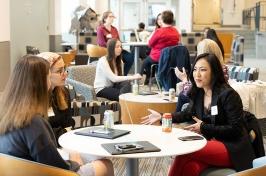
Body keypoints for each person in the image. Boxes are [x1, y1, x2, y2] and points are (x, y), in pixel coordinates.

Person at [0, 55, 114, 176]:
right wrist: (75, 163)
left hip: (21, 170)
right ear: (40, 82)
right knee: (105, 165)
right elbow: (56, 166)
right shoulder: (34, 122)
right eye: (49, 76)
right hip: (46, 172)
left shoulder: (8, 113)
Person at [37, 52, 75, 142]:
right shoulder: (34, 97)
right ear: (45, 74)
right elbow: (40, 134)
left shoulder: (64, 92)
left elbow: (69, 123)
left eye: (64, 69)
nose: (65, 74)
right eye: (59, 71)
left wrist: (62, 132)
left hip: (63, 142)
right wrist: (63, 132)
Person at [139, 10, 180, 84]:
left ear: (163, 19)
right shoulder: (176, 31)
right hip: (171, 58)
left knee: (145, 62)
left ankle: (140, 77)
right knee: (149, 61)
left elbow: (150, 44)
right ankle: (153, 78)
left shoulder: (159, 31)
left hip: (157, 57)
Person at [97, 11, 133, 75]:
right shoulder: (100, 29)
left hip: (117, 50)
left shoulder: (114, 29)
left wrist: (119, 45)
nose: (112, 18)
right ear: (105, 19)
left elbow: (118, 40)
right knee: (114, 60)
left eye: (113, 17)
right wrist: (113, 46)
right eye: (110, 16)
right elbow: (101, 43)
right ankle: (113, 76)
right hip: (107, 50)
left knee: (130, 57)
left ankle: (123, 76)